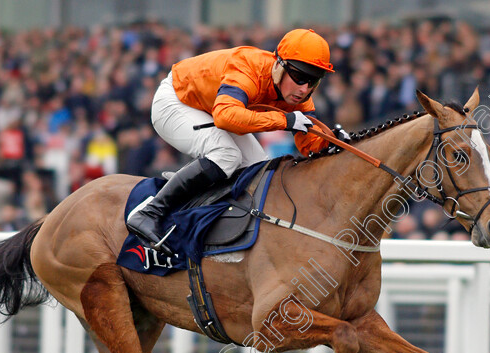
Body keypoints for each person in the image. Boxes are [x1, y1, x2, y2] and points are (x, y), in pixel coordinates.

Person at [126, 28, 335, 254]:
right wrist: (284, 120)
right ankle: (150, 212)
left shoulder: (300, 96)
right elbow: (225, 116)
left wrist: (334, 141)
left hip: (210, 108)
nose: (304, 89)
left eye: (313, 80)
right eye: (299, 76)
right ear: (279, 65)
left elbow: (310, 144)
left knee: (259, 169)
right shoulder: (248, 68)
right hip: (177, 101)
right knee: (227, 155)